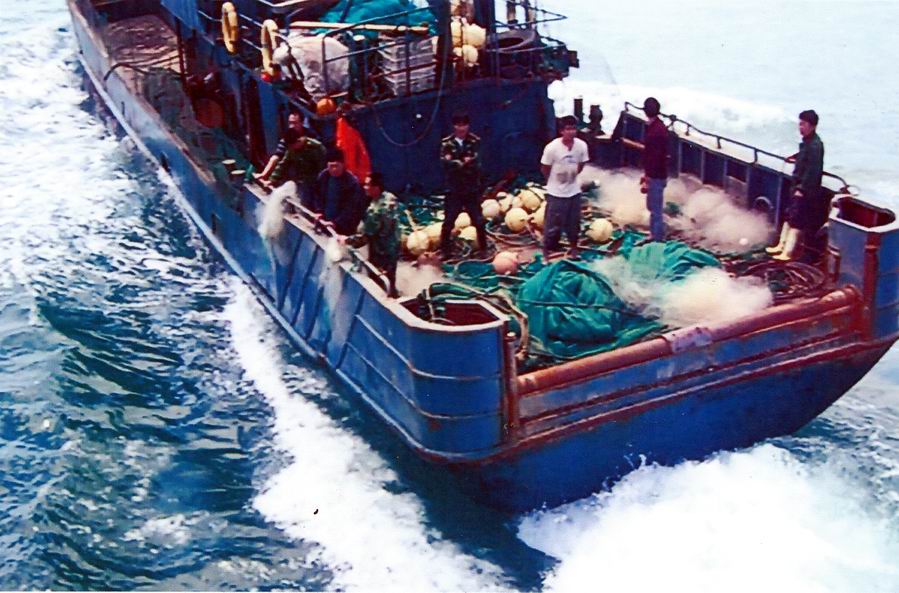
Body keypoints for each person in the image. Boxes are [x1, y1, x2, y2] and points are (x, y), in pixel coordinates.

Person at [767, 110, 826, 261]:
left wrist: (802, 189)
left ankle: (787, 252)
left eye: (803, 124)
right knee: (789, 216)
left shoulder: (815, 145)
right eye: (800, 124)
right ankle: (781, 245)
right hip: (797, 186)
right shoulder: (807, 143)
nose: (800, 127)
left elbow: (813, 170)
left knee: (797, 221)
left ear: (812, 126)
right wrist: (795, 157)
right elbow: (805, 156)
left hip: (805, 191)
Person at [540, 114, 590, 259]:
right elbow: (545, 168)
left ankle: (574, 249)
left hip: (573, 190)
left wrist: (572, 176)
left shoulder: (581, 146)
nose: (571, 132)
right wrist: (554, 182)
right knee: (552, 223)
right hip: (556, 192)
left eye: (573, 129)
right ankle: (547, 251)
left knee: (574, 223)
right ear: (561, 131)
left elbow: (582, 163)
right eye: (568, 129)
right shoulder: (552, 148)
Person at [440, 111, 488, 258]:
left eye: (464, 125)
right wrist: (461, 163)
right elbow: (445, 164)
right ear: (454, 126)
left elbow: (476, 163)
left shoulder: (474, 141)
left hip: (471, 188)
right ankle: (445, 251)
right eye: (458, 125)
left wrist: (458, 163)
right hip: (454, 189)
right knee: (449, 221)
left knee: (478, 221)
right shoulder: (446, 143)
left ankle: (484, 249)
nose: (461, 128)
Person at [352, 173, 403, 297]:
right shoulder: (390, 198)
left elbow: (365, 236)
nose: (364, 187)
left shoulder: (375, 210)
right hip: (393, 246)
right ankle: (393, 293)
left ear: (376, 188)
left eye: (367, 185)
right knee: (390, 277)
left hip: (381, 251)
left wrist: (346, 242)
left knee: (379, 281)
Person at [312, 147, 367, 236]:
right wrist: (319, 211)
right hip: (324, 222)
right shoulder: (323, 176)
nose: (334, 169)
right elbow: (317, 196)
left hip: (343, 228)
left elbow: (350, 208)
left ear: (343, 165)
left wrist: (336, 223)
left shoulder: (352, 183)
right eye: (331, 166)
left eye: (336, 166)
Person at [266, 127, 326, 207]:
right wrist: (272, 179)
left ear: (298, 141)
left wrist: (320, 184)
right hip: (302, 182)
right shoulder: (291, 149)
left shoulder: (316, 148)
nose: (292, 148)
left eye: (293, 146)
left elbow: (323, 168)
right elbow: (283, 164)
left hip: (317, 181)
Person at [641, 97, 668, 242]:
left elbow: (654, 158)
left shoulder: (655, 131)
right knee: (653, 207)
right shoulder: (659, 127)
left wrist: (648, 177)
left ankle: (657, 238)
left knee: (655, 208)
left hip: (656, 176)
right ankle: (654, 233)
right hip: (658, 174)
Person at [256, 110, 307, 181]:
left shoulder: (311, 136)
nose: (291, 126)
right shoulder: (287, 137)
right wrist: (264, 174)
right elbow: (276, 156)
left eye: (295, 123)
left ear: (302, 123)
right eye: (290, 123)